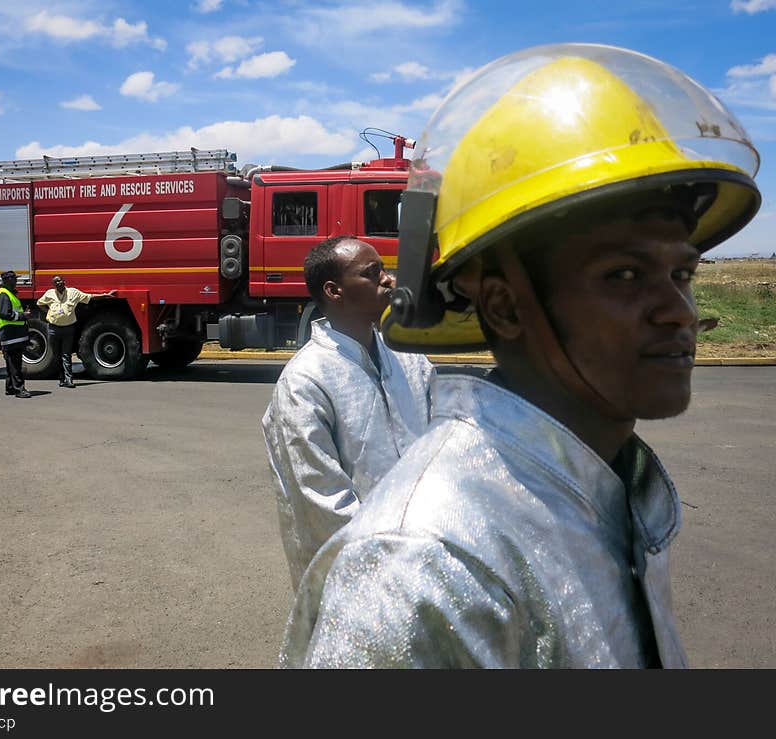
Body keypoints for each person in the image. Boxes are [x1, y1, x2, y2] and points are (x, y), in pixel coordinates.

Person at [280, 44, 761, 668]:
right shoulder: (422, 563)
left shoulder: (607, 491)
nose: (680, 312)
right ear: (505, 307)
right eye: (622, 274)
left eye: (682, 274)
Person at [262, 236, 435, 590]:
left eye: (384, 270)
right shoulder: (304, 382)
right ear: (334, 291)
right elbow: (322, 500)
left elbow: (440, 446)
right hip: (357, 580)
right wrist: (392, 558)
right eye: (372, 274)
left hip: (427, 557)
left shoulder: (409, 358)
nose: (388, 280)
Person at [36, 275, 116, 388]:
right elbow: (39, 304)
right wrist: (49, 312)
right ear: (54, 285)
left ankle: (69, 379)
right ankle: (61, 379)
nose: (58, 283)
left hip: (68, 328)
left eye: (60, 280)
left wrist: (105, 295)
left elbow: (89, 297)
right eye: (56, 282)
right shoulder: (49, 294)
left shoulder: (73, 292)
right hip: (54, 329)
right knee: (57, 355)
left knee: (66, 354)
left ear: (64, 281)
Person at [0, 270, 32, 399]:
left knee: (11, 363)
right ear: (7, 281)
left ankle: (10, 387)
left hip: (12, 335)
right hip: (11, 335)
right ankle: (19, 389)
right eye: (14, 279)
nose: (16, 281)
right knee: (15, 364)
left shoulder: (8, 293)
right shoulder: (4, 295)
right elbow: (5, 314)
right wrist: (23, 316)